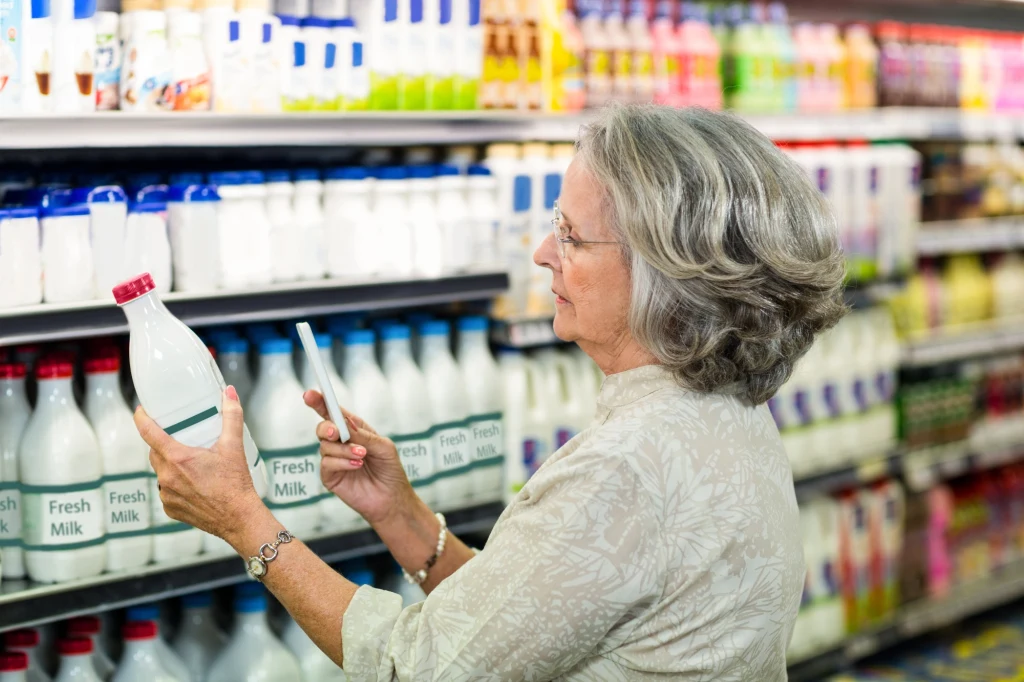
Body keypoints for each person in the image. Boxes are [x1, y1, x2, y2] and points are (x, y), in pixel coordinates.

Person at [135, 104, 846, 681]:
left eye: (570, 234)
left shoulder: (628, 468)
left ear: (665, 271)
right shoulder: (723, 414)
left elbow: (412, 668)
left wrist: (243, 521)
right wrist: (402, 515)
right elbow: (521, 625)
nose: (541, 252)